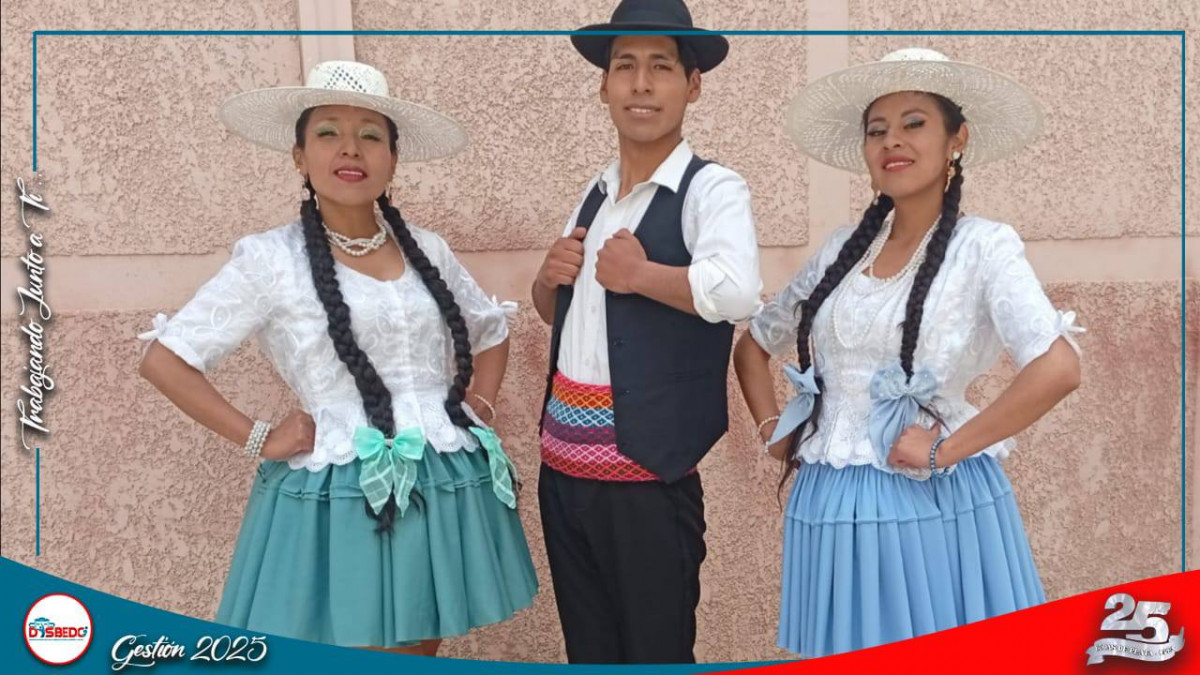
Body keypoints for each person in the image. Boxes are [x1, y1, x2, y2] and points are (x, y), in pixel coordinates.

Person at [138, 60, 537, 656]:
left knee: (417, 648)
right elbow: (165, 360)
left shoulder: (426, 248)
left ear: (393, 159)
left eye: (371, 134)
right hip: (342, 483)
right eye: (327, 132)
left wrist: (474, 404)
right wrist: (258, 437)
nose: (350, 148)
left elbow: (488, 330)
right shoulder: (270, 260)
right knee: (347, 648)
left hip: (437, 474)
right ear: (299, 155)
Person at [734, 47, 1084, 658]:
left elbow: (1058, 366)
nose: (892, 141)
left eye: (914, 122)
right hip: (826, 498)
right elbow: (754, 345)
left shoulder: (985, 247)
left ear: (957, 139)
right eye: (877, 130)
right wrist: (773, 430)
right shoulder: (841, 249)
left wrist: (945, 448)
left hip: (934, 494)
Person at [530, 0, 762, 663]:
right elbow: (572, 319)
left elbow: (736, 290)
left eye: (661, 66)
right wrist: (549, 282)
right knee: (591, 655)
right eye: (624, 65)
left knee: (656, 655)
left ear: (692, 84)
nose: (640, 83)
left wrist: (641, 274)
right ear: (603, 84)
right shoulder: (595, 192)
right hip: (565, 479)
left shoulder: (711, 189)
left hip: (647, 485)